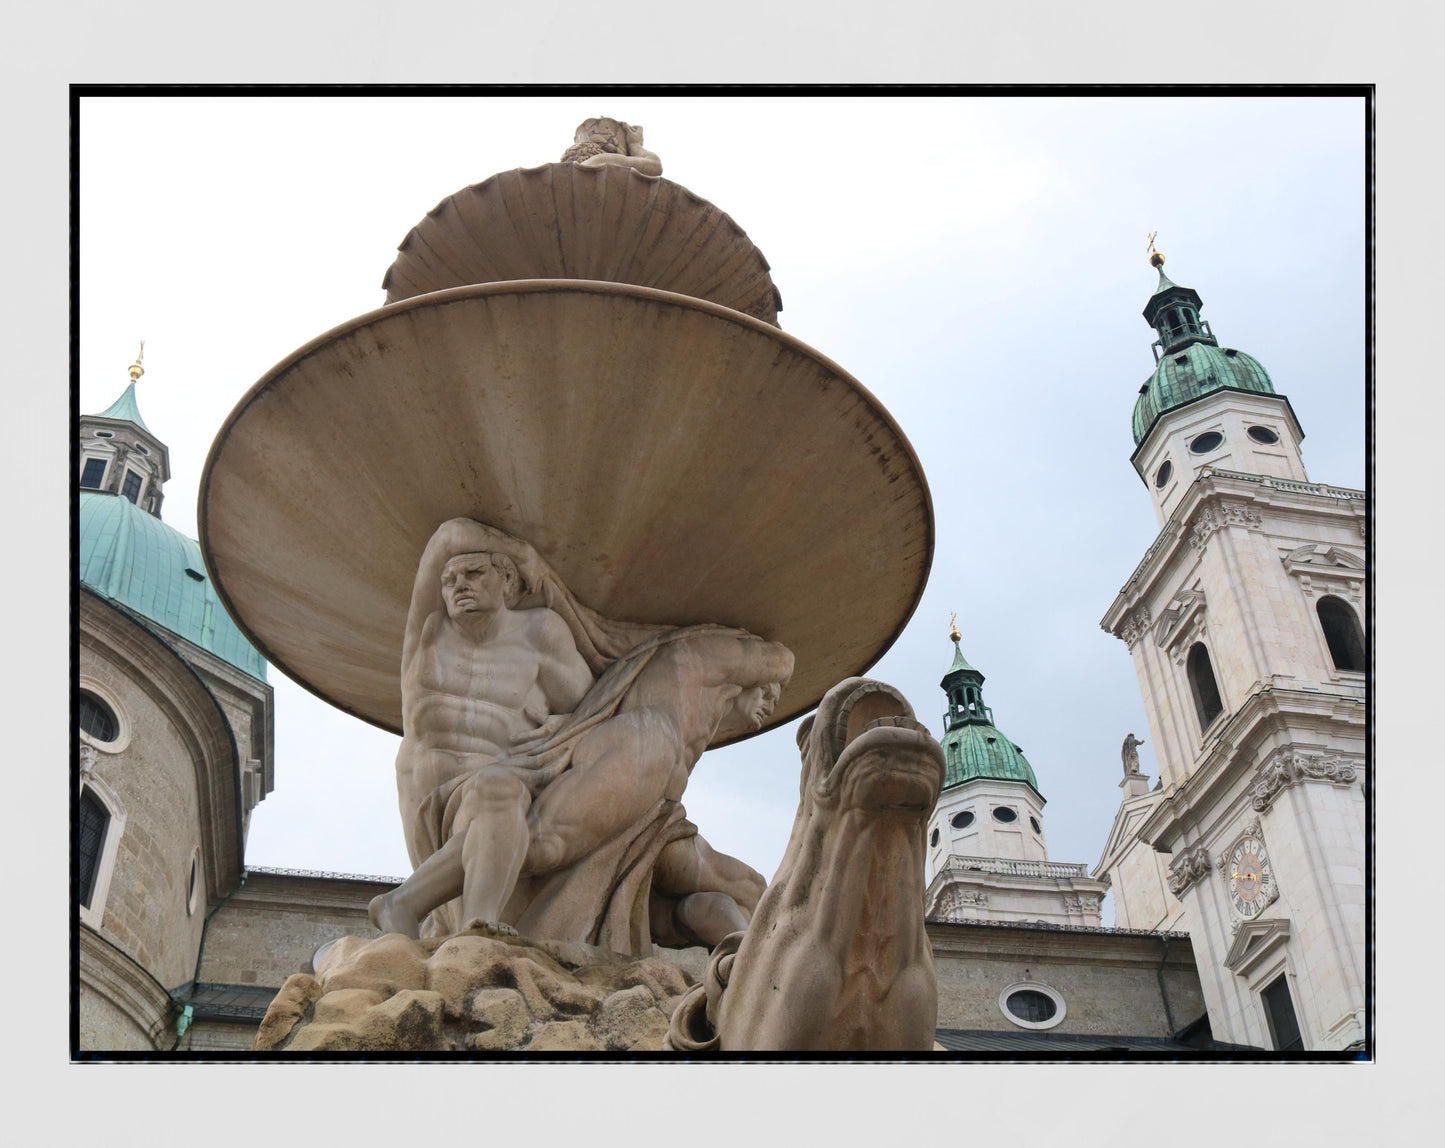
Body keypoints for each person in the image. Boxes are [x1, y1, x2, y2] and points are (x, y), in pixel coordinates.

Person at [369, 519, 791, 951]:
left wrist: (561, 728)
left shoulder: (539, 633)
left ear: (509, 583)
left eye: (475, 574)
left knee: (501, 790)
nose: (459, 586)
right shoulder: (427, 633)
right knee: (503, 794)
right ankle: (460, 924)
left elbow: (589, 706)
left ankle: (469, 926)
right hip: (435, 794)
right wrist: (530, 556)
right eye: (450, 579)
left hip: (505, 789)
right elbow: (450, 537)